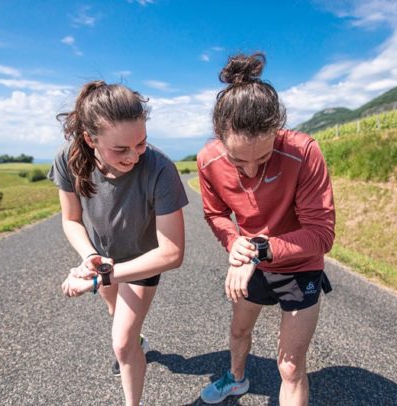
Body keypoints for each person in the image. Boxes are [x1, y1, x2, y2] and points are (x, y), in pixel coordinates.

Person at [197, 53, 335, 405]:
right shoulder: (207, 160)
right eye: (238, 161)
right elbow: (216, 215)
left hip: (299, 263)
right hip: (253, 262)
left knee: (290, 367)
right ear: (219, 137)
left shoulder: (303, 151)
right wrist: (233, 243)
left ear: (278, 132)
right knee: (240, 330)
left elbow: (321, 234)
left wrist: (258, 249)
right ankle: (236, 378)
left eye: (263, 158)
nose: (252, 172)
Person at [48, 80, 188, 406]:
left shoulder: (161, 168)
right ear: (90, 139)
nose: (135, 156)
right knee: (117, 316)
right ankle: (134, 340)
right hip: (103, 256)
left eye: (141, 143)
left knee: (122, 344)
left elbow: (172, 252)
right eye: (121, 149)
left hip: (143, 260)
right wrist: (91, 257)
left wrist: (101, 277)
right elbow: (71, 219)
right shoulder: (68, 160)